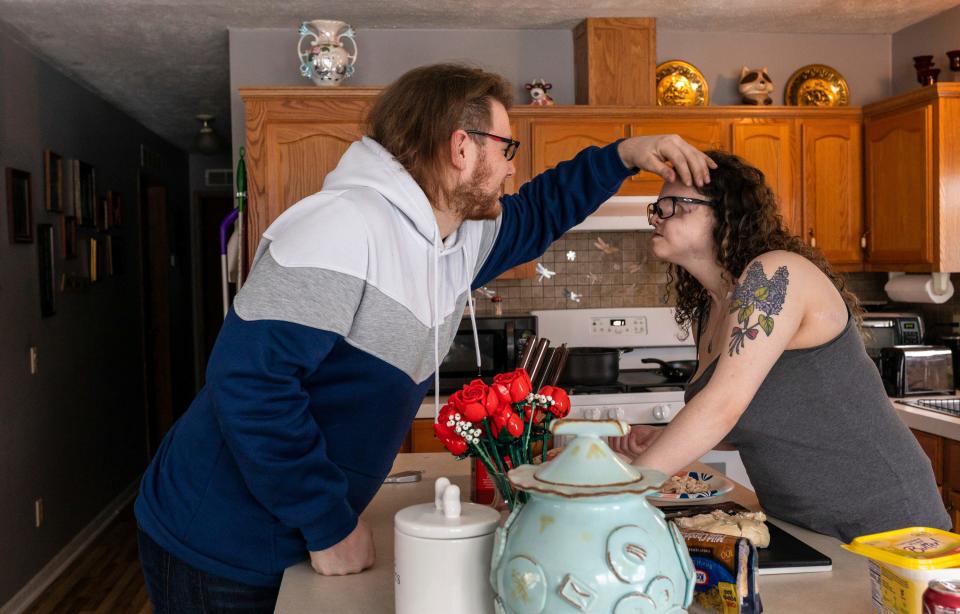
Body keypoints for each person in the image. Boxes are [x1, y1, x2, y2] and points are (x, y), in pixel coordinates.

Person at [134, 62, 716, 611]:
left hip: (285, 533)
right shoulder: (338, 226)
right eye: (506, 148)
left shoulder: (450, 240)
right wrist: (327, 521)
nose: (513, 167)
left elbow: (539, 212)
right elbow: (251, 386)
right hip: (220, 542)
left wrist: (624, 154)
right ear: (462, 147)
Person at [611, 150, 951, 541]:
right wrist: (665, 439)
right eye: (657, 206)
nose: (656, 216)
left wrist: (620, 493)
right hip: (804, 526)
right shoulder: (710, 310)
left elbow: (721, 407)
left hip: (888, 521)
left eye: (674, 205)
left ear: (725, 215)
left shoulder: (775, 274)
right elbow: (759, 418)